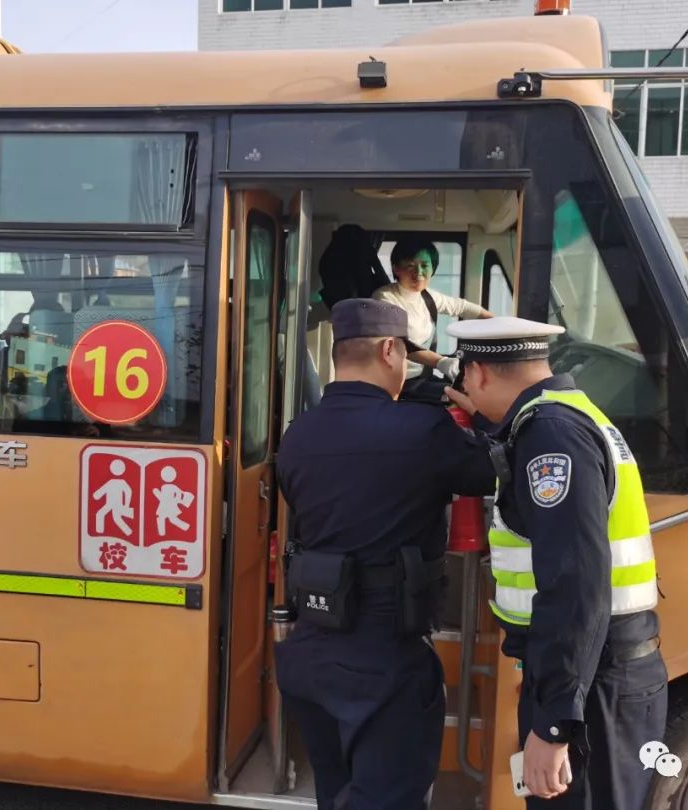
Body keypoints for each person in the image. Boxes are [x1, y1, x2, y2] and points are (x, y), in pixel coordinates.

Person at [274, 298, 495, 810]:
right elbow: (488, 472)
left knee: (337, 794)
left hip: (312, 650)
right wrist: (481, 415)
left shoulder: (297, 436)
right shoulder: (422, 430)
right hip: (384, 658)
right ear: (391, 350)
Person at [443, 316, 665, 809]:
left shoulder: (549, 437)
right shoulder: (564, 413)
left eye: (465, 380)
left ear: (478, 373)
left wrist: (554, 723)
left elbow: (575, 587)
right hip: (593, 675)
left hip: (588, 689)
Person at [372, 237, 492, 403]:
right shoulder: (385, 298)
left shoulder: (427, 297)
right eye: (410, 266)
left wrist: (496, 322)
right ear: (396, 268)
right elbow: (399, 343)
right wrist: (441, 361)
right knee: (460, 399)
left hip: (422, 378)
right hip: (397, 383)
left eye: (424, 265)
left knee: (471, 390)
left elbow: (461, 307)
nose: (419, 273)